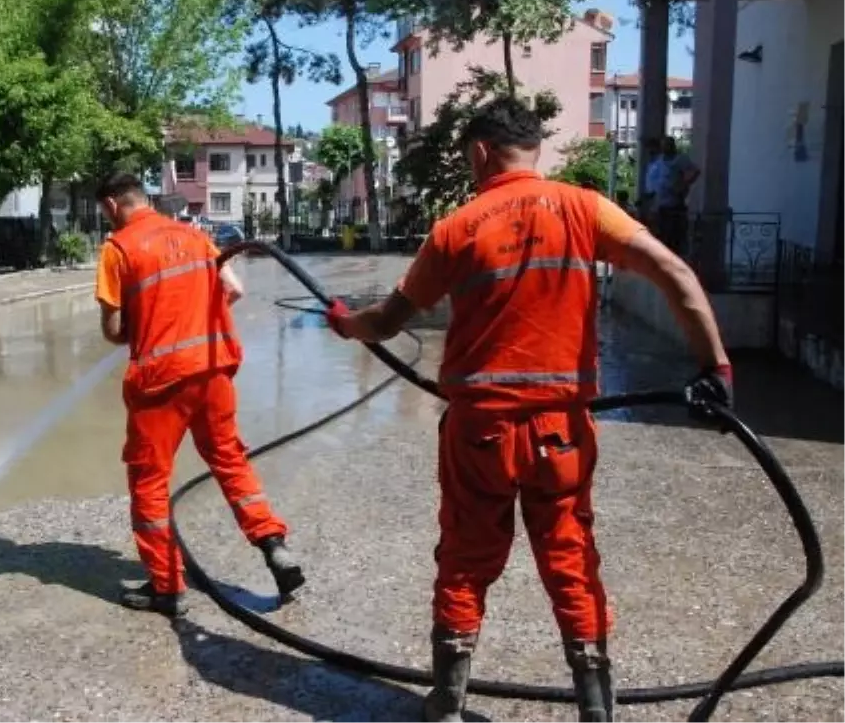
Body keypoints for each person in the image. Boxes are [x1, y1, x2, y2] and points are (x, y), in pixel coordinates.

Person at [322, 98, 732, 723]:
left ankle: (448, 707)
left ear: (482, 152)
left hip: (480, 429)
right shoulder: (586, 208)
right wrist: (716, 368)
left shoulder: (456, 228)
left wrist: (344, 325)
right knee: (571, 560)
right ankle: (597, 710)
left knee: (464, 561)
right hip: (562, 431)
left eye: (468, 158)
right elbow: (674, 272)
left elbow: (386, 321)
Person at [94, 173, 304, 617]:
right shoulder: (194, 234)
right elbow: (235, 289)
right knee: (229, 459)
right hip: (213, 371)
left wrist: (146, 326)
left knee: (149, 480)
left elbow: (114, 330)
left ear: (113, 205)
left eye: (104, 212)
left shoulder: (119, 248)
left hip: (161, 382)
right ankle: (272, 543)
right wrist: (196, 320)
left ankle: (167, 588)